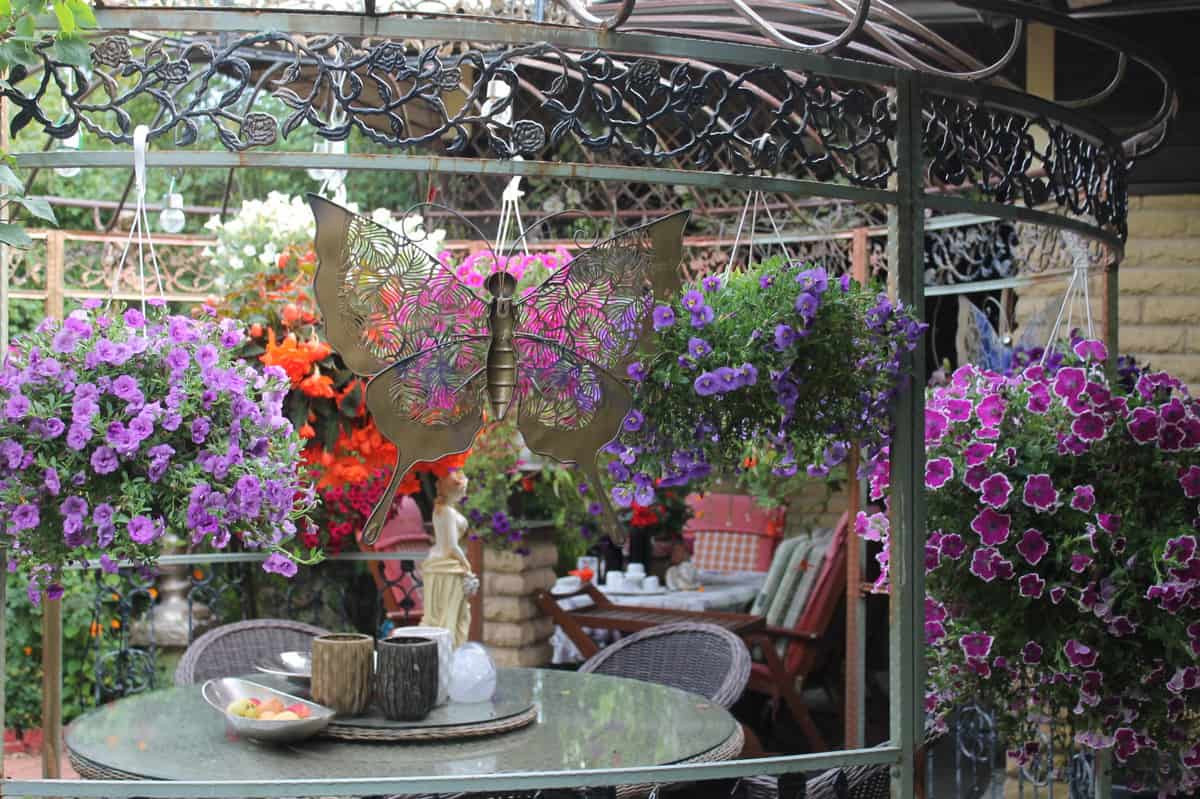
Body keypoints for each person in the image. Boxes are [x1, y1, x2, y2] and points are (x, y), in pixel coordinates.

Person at [421, 469, 477, 647]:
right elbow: (452, 546)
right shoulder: (448, 512)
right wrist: (467, 565)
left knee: (445, 614)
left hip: (439, 564)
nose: (465, 493)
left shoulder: (441, 510)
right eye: (464, 489)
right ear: (455, 490)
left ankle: (445, 650)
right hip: (447, 567)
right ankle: (448, 651)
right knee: (450, 615)